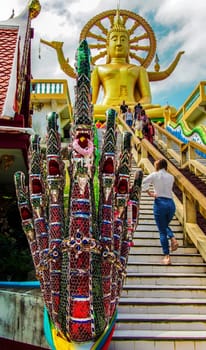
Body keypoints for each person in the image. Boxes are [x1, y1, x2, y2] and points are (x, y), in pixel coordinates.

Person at [141, 158, 179, 265]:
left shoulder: (154, 175)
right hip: (171, 204)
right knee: (164, 225)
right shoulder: (171, 177)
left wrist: (149, 193)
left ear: (157, 166)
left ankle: (167, 256)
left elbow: (143, 182)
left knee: (162, 230)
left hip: (160, 203)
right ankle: (172, 238)